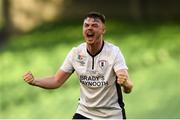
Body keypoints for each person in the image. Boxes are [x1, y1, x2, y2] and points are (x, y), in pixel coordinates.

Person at [23, 12, 133, 119]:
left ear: (103, 30)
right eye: (86, 25)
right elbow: (56, 80)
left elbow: (129, 87)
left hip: (111, 115)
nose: (89, 28)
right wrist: (35, 81)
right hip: (85, 113)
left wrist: (125, 83)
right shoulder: (76, 53)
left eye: (95, 25)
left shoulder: (114, 52)